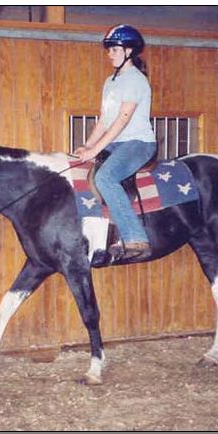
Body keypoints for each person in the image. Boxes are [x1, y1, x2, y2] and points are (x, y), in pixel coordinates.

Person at [74, 24, 156, 260]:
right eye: (109, 50)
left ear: (129, 51)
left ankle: (136, 238)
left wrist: (96, 150)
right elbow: (104, 121)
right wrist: (88, 146)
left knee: (105, 178)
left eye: (115, 49)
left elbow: (122, 120)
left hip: (138, 143)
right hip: (116, 143)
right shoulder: (110, 82)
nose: (110, 54)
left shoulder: (136, 80)